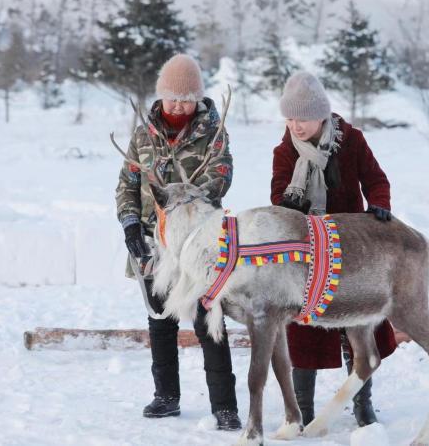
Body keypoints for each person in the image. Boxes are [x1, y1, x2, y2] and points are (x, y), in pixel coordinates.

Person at [115, 54, 241, 430]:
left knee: (209, 319)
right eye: (172, 97)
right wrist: (131, 224)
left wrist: (183, 197)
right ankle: (166, 396)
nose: (179, 105)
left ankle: (225, 405)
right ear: (161, 95)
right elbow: (127, 184)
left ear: (198, 98)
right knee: (161, 318)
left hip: (199, 243)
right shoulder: (143, 134)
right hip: (154, 243)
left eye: (187, 98)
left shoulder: (213, 133)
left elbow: (221, 176)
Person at [270, 71, 398, 427]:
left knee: (357, 324)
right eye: (290, 118)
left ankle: (362, 403)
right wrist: (289, 204)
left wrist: (379, 204)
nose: (296, 126)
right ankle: (304, 411)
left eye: (304, 119)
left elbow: (375, 178)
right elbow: (278, 196)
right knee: (303, 325)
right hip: (306, 252)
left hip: (352, 248)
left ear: (322, 115)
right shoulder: (284, 152)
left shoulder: (351, 140)